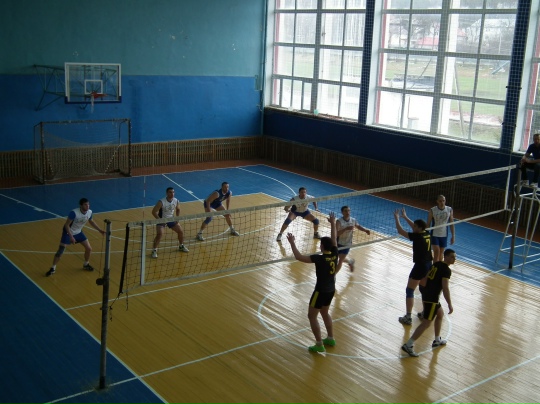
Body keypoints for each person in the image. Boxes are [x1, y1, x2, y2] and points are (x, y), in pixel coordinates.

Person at [286, 212, 339, 353]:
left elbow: (299, 257)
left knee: (312, 316)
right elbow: (334, 239)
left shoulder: (319, 258)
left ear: (322, 246)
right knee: (325, 313)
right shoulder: (335, 254)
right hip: (331, 290)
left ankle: (319, 344)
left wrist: (292, 243)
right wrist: (333, 223)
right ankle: (331, 338)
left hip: (320, 291)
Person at [401, 249, 455, 357]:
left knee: (440, 314)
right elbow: (445, 288)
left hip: (427, 295)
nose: (454, 259)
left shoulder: (436, 264)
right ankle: (409, 344)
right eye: (452, 257)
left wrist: (425, 290)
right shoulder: (446, 270)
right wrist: (449, 304)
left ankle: (437, 340)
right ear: (446, 257)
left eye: (455, 257)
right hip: (432, 298)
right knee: (426, 323)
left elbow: (425, 277)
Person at [46, 198, 106, 276]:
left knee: (89, 249)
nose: (87, 206)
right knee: (60, 250)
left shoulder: (89, 212)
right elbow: (66, 225)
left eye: (88, 204)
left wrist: (99, 230)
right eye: (85, 204)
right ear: (81, 205)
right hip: (68, 233)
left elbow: (91, 221)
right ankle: (53, 268)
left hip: (78, 232)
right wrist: (71, 237)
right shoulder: (74, 213)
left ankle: (86, 264)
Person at [393, 207, 433, 325]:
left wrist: (397, 218)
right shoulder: (426, 233)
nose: (413, 227)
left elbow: (400, 231)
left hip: (420, 266)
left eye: (415, 226)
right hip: (428, 265)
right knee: (423, 289)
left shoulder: (417, 237)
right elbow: (415, 227)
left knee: (410, 290)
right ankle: (425, 312)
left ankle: (408, 317)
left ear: (419, 228)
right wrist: (405, 217)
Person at [151, 187, 189, 258]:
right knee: (160, 234)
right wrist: (160, 220)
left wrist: (177, 218)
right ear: (167, 193)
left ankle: (181, 246)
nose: (172, 194)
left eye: (173, 192)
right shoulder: (161, 202)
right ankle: (154, 250)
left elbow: (178, 209)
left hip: (171, 219)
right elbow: (154, 212)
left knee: (180, 231)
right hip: (162, 219)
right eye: (170, 192)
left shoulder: (176, 201)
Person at [336, 205, 371, 271]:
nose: (347, 212)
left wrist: (365, 230)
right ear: (342, 212)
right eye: (345, 211)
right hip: (338, 242)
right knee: (339, 258)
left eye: (348, 211)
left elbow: (358, 226)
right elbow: (336, 233)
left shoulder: (353, 220)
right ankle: (350, 262)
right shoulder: (339, 221)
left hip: (347, 243)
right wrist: (346, 229)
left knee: (340, 261)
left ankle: (334, 275)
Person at [427, 195, 455, 262]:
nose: (442, 202)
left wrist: (453, 236)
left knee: (440, 255)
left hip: (444, 235)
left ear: (445, 201)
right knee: (437, 252)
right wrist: (426, 234)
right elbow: (428, 224)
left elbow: (451, 223)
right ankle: (434, 267)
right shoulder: (432, 210)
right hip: (434, 234)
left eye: (443, 201)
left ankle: (439, 266)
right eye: (440, 201)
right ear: (437, 201)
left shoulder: (449, 210)